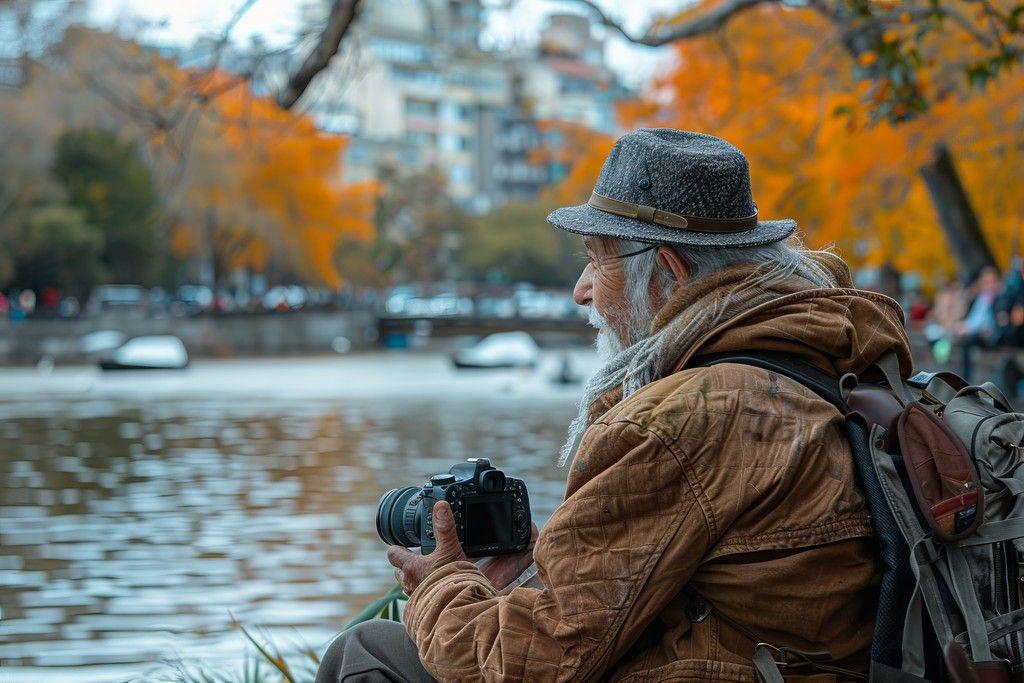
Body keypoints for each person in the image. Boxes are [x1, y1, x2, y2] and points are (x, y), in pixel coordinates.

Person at [317, 129, 912, 682]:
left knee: (366, 653)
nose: (580, 290)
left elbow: (530, 664)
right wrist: (542, 565)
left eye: (597, 259)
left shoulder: (683, 418)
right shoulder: (822, 359)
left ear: (669, 272)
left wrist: (442, 584)